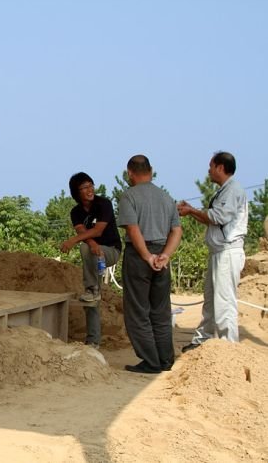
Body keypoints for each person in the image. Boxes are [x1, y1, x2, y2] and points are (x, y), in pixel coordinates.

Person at [118, 155, 182, 374]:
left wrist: (146, 256)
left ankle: (150, 361)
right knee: (161, 311)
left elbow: (132, 228)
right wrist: (165, 255)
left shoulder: (129, 196)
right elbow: (177, 230)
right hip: (162, 256)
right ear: (151, 170)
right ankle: (166, 359)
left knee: (138, 311)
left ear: (130, 173)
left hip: (139, 256)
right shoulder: (166, 197)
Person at [177, 151, 248, 350]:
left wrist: (192, 211)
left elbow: (218, 217)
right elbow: (211, 220)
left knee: (224, 300)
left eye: (211, 166)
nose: (208, 171)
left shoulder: (233, 190)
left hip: (228, 251)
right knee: (210, 300)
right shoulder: (223, 191)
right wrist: (191, 211)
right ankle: (203, 340)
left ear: (220, 167)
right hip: (218, 252)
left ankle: (227, 346)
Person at [60, 172, 122, 348]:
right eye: (84, 187)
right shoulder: (76, 212)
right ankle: (93, 340)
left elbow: (98, 230)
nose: (90, 190)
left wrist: (74, 241)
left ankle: (92, 288)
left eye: (91, 185)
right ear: (76, 192)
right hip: (93, 253)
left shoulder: (104, 204)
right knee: (90, 300)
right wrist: (92, 243)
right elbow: (83, 232)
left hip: (111, 251)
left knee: (83, 247)